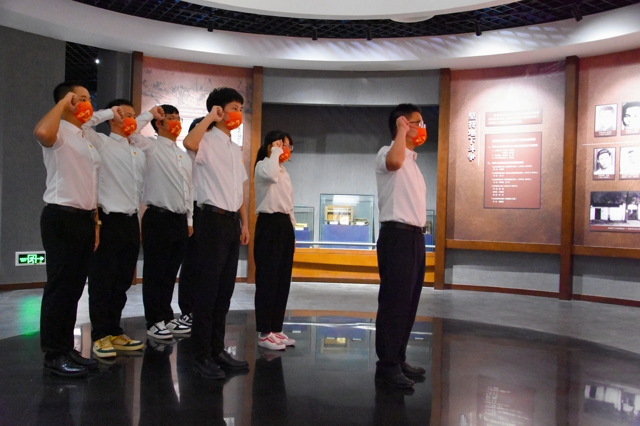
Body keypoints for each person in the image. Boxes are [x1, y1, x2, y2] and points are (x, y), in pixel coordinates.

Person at [82, 100, 161, 358]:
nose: (129, 119)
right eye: (123, 114)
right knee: (102, 281)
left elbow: (138, 131)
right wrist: (108, 111)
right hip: (107, 219)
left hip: (130, 221)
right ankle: (100, 336)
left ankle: (114, 331)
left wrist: (147, 116)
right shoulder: (101, 142)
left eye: (132, 115)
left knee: (122, 281)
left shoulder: (137, 149)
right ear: (111, 118)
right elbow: (83, 124)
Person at [33, 81, 102, 377]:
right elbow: (41, 133)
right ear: (66, 101)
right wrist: (62, 104)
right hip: (61, 217)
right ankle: (53, 354)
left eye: (87, 98)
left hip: (84, 219)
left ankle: (65, 347)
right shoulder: (58, 130)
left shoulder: (85, 137)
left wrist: (95, 223)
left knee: (74, 289)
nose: (87, 103)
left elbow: (90, 184)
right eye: (80, 98)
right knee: (60, 287)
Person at [183, 87, 250, 379]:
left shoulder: (235, 149)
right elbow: (188, 142)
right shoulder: (206, 139)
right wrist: (210, 118)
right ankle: (200, 356)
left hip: (231, 222)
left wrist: (245, 224)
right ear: (219, 110)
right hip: (210, 220)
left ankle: (217, 349)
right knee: (207, 291)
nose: (238, 114)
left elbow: (239, 190)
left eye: (241, 109)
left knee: (224, 291)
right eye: (234, 108)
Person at [374, 103, 428, 389]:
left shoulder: (414, 163)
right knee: (394, 303)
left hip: (415, 238)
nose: (423, 127)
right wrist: (400, 131)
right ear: (403, 124)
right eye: (417, 122)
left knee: (409, 303)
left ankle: (398, 357)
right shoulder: (387, 153)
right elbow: (394, 162)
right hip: (397, 236)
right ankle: (387, 364)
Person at [129, 105, 193, 340]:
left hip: (179, 219)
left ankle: (166, 316)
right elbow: (131, 132)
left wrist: (189, 219)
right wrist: (149, 114)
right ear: (159, 123)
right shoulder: (151, 147)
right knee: (155, 272)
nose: (176, 122)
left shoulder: (183, 155)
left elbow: (188, 190)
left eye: (178, 118)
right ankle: (154, 320)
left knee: (170, 272)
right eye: (170, 118)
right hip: (157, 217)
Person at [253, 130, 296, 351]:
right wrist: (275, 152)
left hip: (284, 225)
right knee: (267, 279)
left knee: (282, 279)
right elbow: (270, 176)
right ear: (271, 145)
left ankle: (276, 328)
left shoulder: (284, 172)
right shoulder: (263, 166)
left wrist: (292, 229)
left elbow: (289, 203)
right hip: (268, 224)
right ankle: (264, 332)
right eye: (283, 145)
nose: (286, 150)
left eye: (288, 146)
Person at [176, 117, 206, 330]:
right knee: (191, 264)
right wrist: (189, 218)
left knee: (206, 265)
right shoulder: (184, 157)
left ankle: (201, 308)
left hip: (209, 211)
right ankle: (187, 310)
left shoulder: (212, 158)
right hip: (191, 211)